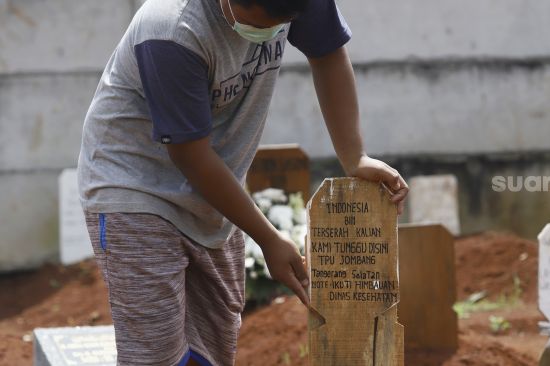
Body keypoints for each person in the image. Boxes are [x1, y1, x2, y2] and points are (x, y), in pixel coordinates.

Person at [77, 0, 409, 364]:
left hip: (216, 191)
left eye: (278, 25)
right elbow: (191, 155)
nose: (266, 34)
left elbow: (328, 53)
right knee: (154, 354)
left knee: (213, 348)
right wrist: (267, 238)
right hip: (134, 187)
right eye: (254, 21)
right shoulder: (173, 30)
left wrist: (354, 156)